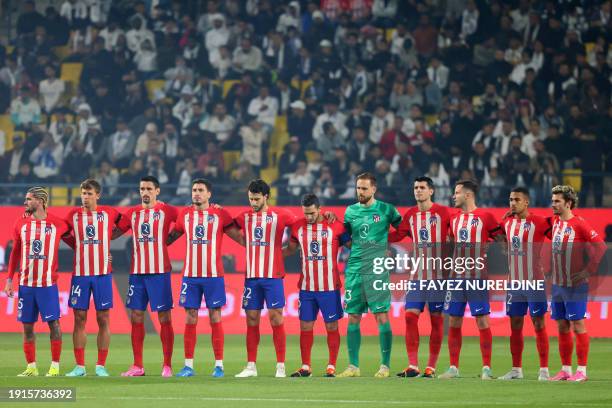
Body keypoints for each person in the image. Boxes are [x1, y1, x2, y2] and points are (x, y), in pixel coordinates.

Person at [166, 179, 244, 377]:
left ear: (209, 194)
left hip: (213, 275)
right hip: (190, 276)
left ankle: (219, 365)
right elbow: (168, 239)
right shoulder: (185, 214)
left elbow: (241, 238)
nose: (196, 193)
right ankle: (188, 366)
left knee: (215, 316)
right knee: (190, 316)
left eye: (201, 190)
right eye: (194, 190)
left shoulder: (220, 214)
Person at [337, 172, 402, 378]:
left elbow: (404, 230)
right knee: (353, 316)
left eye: (364, 188)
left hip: (377, 271)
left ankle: (385, 366)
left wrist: (387, 245)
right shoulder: (350, 211)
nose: (360, 192)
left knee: (381, 316)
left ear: (374, 189)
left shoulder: (386, 209)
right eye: (358, 188)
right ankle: (353, 367)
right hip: (354, 270)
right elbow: (344, 236)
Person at [114, 176, 179, 377]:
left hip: (159, 272)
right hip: (137, 273)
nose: (145, 192)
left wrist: (168, 240)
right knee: (136, 317)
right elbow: (115, 232)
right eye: (142, 188)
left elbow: (186, 221)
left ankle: (167, 365)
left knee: (164, 317)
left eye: (149, 188)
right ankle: (138, 366)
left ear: (157, 191)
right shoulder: (132, 213)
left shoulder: (168, 210)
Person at [388, 177, 453, 378]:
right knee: (409, 316)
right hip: (418, 276)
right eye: (415, 187)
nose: (418, 191)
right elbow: (398, 235)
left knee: (436, 320)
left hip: (439, 277)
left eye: (422, 188)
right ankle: (413, 365)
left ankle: (431, 367)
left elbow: (458, 232)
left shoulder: (443, 213)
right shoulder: (411, 214)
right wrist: (375, 234)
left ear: (431, 191)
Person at [3, 187, 70, 376]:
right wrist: (9, 280)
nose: (25, 202)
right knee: (27, 326)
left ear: (40, 201)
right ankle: (31, 367)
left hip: (47, 285)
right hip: (26, 286)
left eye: (29, 199)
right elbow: (15, 253)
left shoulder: (58, 224)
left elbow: (76, 238)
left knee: (54, 324)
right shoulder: (20, 223)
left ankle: (55, 366)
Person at [233, 180, 297, 378]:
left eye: (256, 199)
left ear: (266, 197)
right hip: (251, 278)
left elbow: (300, 227)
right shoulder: (244, 216)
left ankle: (281, 366)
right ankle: (251, 366)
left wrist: (285, 252)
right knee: (251, 320)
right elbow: (226, 225)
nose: (253, 202)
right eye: (250, 198)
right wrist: (243, 242)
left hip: (273, 277)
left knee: (276, 318)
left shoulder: (281, 215)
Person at [439, 179, 502, 380]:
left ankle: (486, 368)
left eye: (456, 192)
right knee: (454, 320)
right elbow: (450, 243)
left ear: (468, 195)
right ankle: (453, 368)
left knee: (482, 320)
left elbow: (502, 239)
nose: (453, 196)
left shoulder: (486, 216)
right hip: (456, 278)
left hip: (477, 277)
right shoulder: (454, 219)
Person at [283, 194, 347, 377]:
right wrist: (270, 256)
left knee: (332, 327)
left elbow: (351, 244)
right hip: (307, 288)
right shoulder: (297, 227)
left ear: (319, 209)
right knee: (305, 326)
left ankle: (331, 366)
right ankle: (305, 366)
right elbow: (290, 250)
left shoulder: (335, 225)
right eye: (306, 213)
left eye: (312, 213)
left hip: (329, 287)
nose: (309, 217)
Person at [547, 185, 606, 382]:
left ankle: (582, 371)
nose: (553, 204)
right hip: (558, 284)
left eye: (557, 201)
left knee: (578, 324)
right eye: (553, 200)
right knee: (562, 326)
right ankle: (565, 370)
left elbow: (601, 247)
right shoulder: (555, 222)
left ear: (568, 203)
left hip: (576, 285)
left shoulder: (580, 224)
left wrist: (587, 271)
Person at [63, 179, 121, 377]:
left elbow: (127, 223)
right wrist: (77, 246)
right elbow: (62, 232)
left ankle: (100, 365)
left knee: (103, 318)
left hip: (102, 274)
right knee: (79, 319)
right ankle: (80, 366)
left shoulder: (109, 213)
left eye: (89, 194)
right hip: (80, 275)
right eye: (83, 193)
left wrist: (106, 243)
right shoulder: (73, 215)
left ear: (98, 195)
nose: (85, 197)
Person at [498, 187, 551, 381]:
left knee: (538, 324)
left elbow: (558, 233)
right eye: (511, 199)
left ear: (526, 202)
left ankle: (544, 370)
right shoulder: (507, 222)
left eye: (517, 200)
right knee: (515, 325)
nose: (512, 203)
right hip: (514, 283)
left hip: (534, 281)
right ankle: (516, 370)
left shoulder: (539, 221)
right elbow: (497, 236)